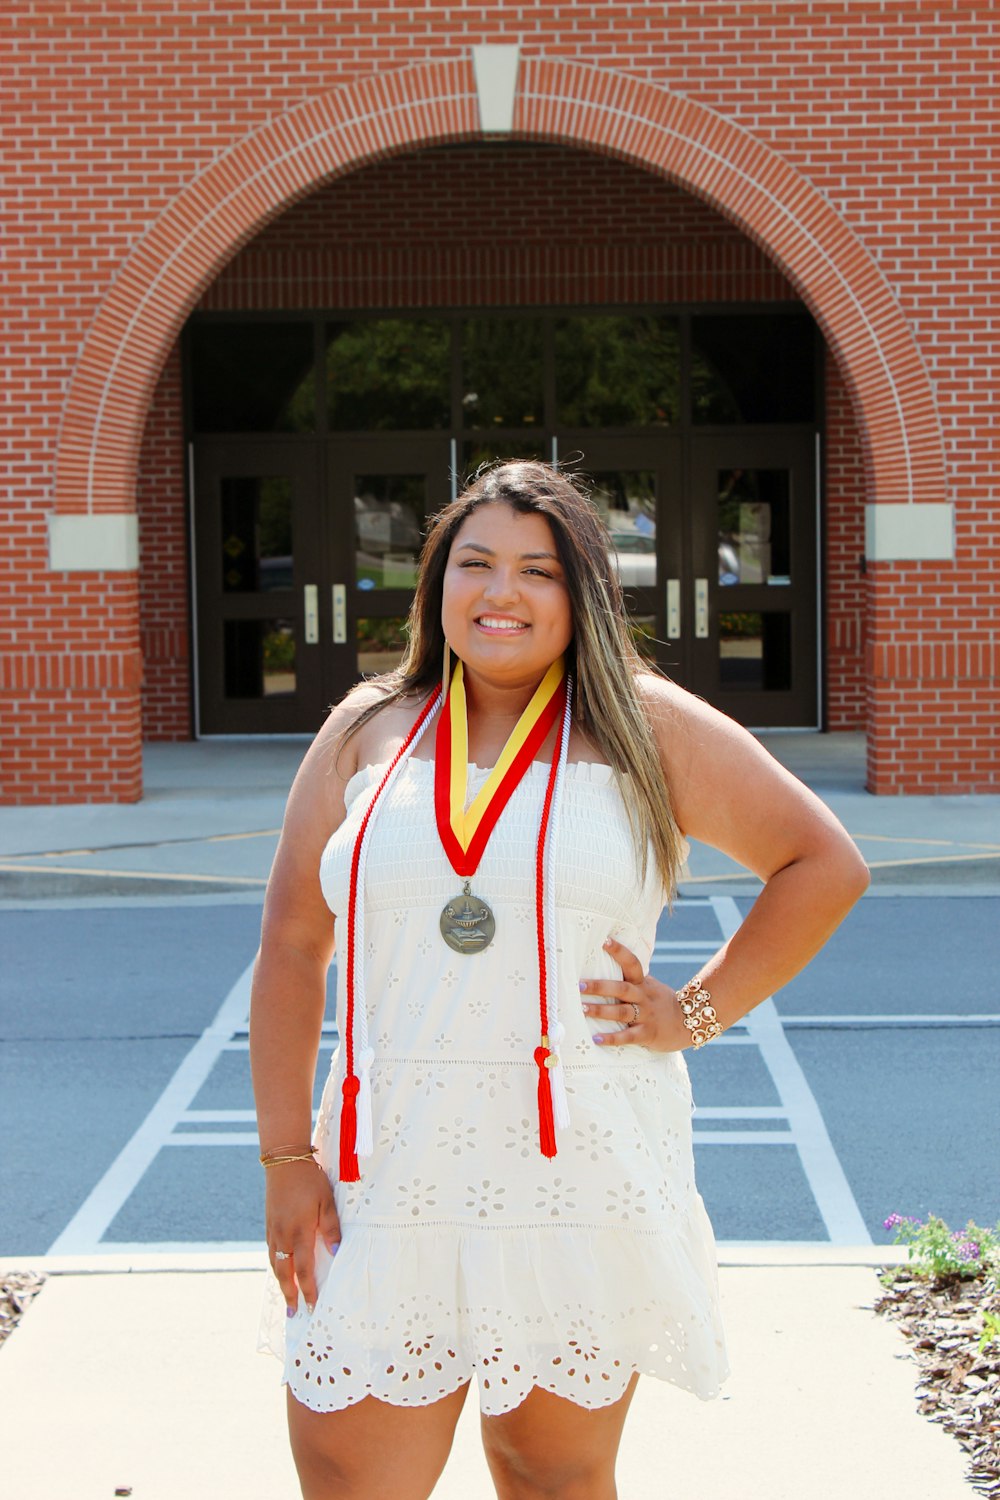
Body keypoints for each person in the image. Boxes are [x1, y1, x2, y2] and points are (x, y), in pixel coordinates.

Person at [251, 460, 869, 1500]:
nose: (501, 593)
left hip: (574, 1166)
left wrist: (693, 1013)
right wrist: (281, 1155)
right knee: (345, 1472)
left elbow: (823, 865)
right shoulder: (367, 727)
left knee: (549, 1473)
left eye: (536, 570)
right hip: (383, 1162)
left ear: (580, 590)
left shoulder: (642, 722)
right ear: (436, 582)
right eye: (475, 563)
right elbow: (290, 943)